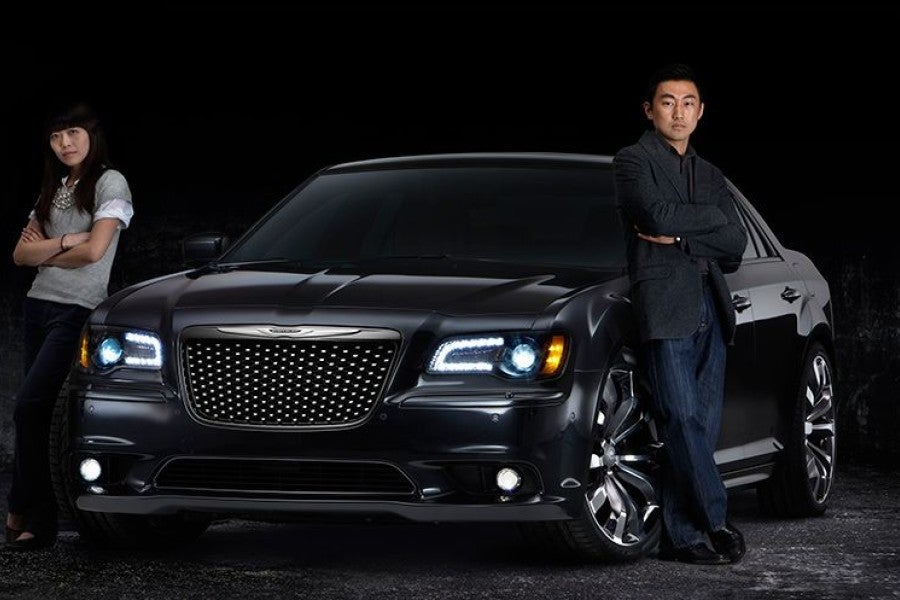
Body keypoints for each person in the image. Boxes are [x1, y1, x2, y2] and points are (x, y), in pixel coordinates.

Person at [613, 64, 747, 565]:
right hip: (664, 304)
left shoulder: (711, 175)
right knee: (680, 416)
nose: (678, 111)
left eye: (688, 102)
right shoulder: (632, 160)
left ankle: (682, 536)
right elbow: (652, 215)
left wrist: (688, 233)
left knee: (701, 426)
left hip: (711, 304)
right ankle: (716, 519)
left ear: (701, 112)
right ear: (650, 110)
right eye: (667, 102)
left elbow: (733, 246)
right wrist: (707, 223)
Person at [5, 103, 134, 551]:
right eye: (57, 137)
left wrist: (48, 248)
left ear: (91, 136)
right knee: (33, 416)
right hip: (38, 306)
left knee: (30, 408)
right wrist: (64, 241)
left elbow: (95, 252)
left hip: (76, 308)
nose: (66, 143)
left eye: (73, 133)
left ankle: (26, 510)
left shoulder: (109, 182)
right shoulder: (54, 187)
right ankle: (33, 517)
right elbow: (20, 257)